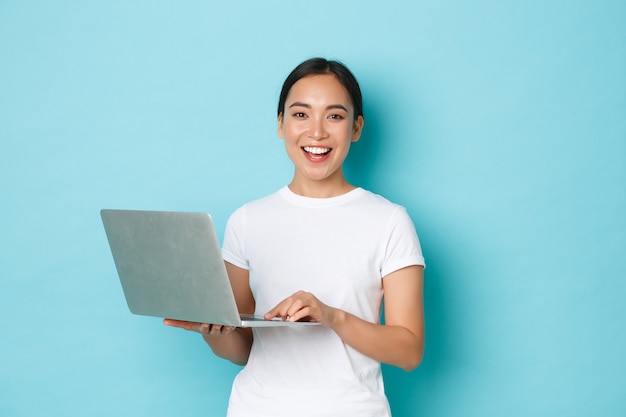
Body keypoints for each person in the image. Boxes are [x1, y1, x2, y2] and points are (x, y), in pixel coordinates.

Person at [164, 57, 425, 417]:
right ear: (280, 125)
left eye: (334, 116)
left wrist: (332, 317)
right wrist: (215, 331)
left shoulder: (389, 221)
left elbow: (409, 351)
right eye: (301, 114)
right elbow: (242, 350)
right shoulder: (247, 220)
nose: (316, 132)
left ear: (356, 127)